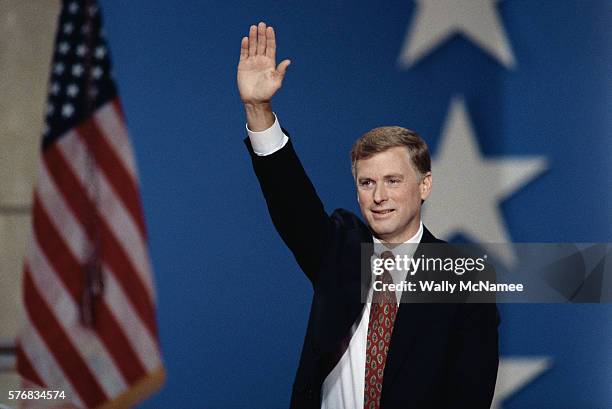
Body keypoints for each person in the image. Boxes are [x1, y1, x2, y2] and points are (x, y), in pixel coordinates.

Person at [237, 22, 499, 409]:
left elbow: (469, 395)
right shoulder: (339, 250)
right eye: (366, 182)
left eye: (393, 180)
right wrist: (259, 110)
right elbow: (290, 199)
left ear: (424, 185)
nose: (379, 196)